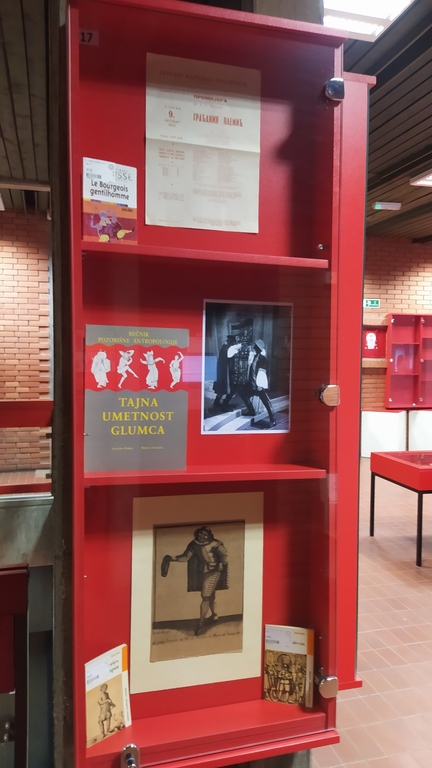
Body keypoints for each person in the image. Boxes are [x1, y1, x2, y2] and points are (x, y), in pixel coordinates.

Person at [162, 525, 228, 636]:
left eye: (205, 534)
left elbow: (224, 555)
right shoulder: (193, 544)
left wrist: (221, 563)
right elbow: (185, 557)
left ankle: (201, 623)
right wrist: (171, 558)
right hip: (204, 571)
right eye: (200, 534)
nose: (202, 536)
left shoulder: (215, 543)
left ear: (209, 535)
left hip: (215, 571)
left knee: (205, 596)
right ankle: (214, 616)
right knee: (210, 595)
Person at [240, 339, 276, 428]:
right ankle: (251, 411)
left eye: (255, 346)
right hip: (252, 383)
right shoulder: (254, 356)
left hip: (258, 384)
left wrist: (260, 385)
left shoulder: (262, 358)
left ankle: (273, 420)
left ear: (257, 348)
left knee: (266, 401)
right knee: (243, 393)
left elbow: (262, 372)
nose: (253, 347)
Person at [212, 335, 241, 408]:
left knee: (222, 389)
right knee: (231, 388)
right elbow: (235, 349)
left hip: (222, 372)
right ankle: (225, 404)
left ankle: (216, 402)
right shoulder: (229, 348)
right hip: (227, 372)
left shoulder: (224, 347)